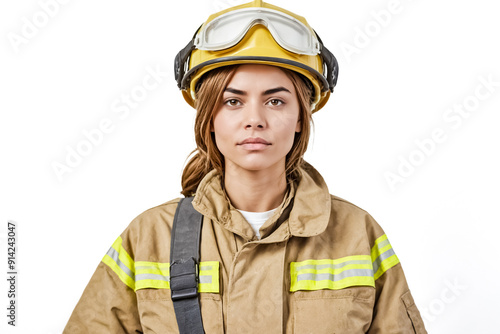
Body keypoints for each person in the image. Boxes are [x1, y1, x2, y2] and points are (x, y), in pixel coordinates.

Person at [64, 1, 427, 333]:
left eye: (275, 100)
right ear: (209, 117)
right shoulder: (149, 238)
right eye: (233, 101)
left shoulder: (356, 234)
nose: (254, 119)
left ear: (302, 115)